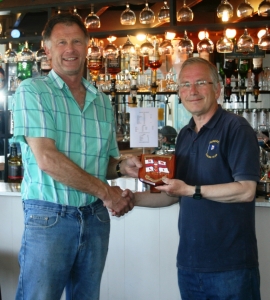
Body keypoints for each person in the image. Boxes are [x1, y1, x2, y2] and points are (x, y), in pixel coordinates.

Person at [13, 13, 141, 300]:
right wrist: (107, 193)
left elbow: (101, 163)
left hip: (94, 217)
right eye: (61, 42)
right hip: (49, 217)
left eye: (76, 42)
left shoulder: (101, 101)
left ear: (87, 47)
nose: (69, 49)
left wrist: (122, 166)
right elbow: (48, 159)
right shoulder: (33, 91)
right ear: (47, 49)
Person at [133, 57, 261, 299]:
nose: (192, 91)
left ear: (217, 88)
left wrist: (191, 190)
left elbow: (246, 190)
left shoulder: (236, 128)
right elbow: (173, 194)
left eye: (201, 82)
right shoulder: (185, 134)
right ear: (179, 92)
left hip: (230, 266)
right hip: (189, 265)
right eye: (185, 85)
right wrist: (131, 199)